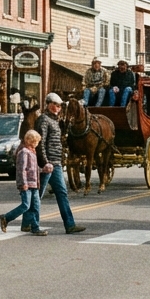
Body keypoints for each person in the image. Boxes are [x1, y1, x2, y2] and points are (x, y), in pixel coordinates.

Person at [34, 93, 85, 234]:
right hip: (48, 163)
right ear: (48, 105)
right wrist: (44, 162)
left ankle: (70, 225)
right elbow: (40, 143)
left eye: (60, 106)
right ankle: (30, 223)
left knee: (62, 193)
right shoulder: (43, 120)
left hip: (55, 163)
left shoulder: (55, 121)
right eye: (55, 105)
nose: (58, 108)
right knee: (38, 194)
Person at [1, 130, 46, 235]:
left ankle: (35, 227)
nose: (37, 144)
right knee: (26, 205)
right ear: (30, 141)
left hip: (34, 184)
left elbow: (33, 169)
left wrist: (42, 170)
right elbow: (22, 169)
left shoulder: (32, 152)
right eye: (35, 141)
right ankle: (6, 217)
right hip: (27, 184)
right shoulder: (24, 152)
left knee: (35, 206)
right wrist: (23, 183)